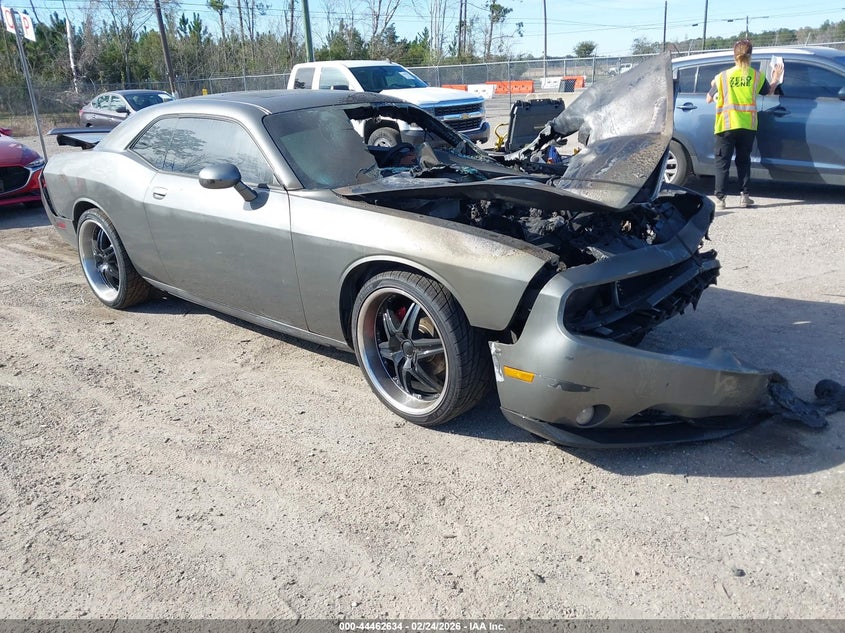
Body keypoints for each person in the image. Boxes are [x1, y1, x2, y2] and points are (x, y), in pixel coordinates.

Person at [706, 39, 784, 209]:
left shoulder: (723, 76)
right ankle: (744, 196)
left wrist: (713, 85)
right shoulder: (755, 75)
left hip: (725, 125)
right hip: (747, 126)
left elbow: (708, 98)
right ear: (750, 56)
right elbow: (768, 91)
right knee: (743, 161)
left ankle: (720, 200)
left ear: (734, 55)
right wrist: (776, 78)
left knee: (722, 163)